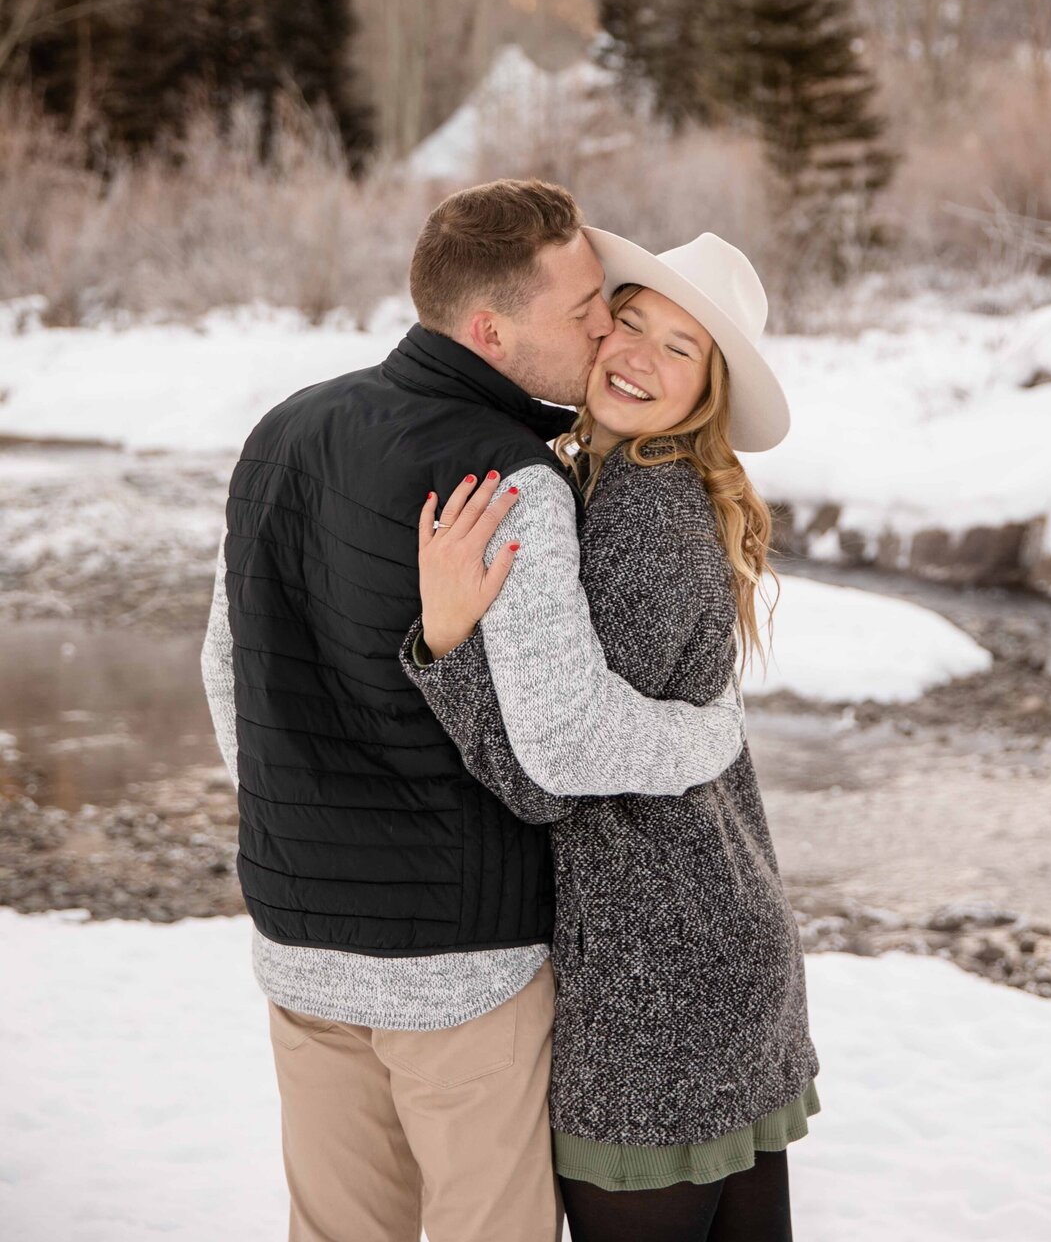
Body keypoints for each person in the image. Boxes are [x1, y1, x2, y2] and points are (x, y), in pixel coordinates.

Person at [200, 180, 746, 1242]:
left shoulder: (280, 431)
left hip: (296, 940)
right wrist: (709, 735)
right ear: (491, 328)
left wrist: (308, 830)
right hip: (465, 963)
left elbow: (226, 674)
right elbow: (566, 741)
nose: (604, 328)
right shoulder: (511, 479)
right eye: (584, 307)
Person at [408, 229, 821, 1242]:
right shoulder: (610, 481)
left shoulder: (638, 520)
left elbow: (553, 774)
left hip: (657, 987)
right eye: (629, 322)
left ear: (707, 394)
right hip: (715, 944)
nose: (638, 356)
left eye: (679, 349)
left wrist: (445, 641)